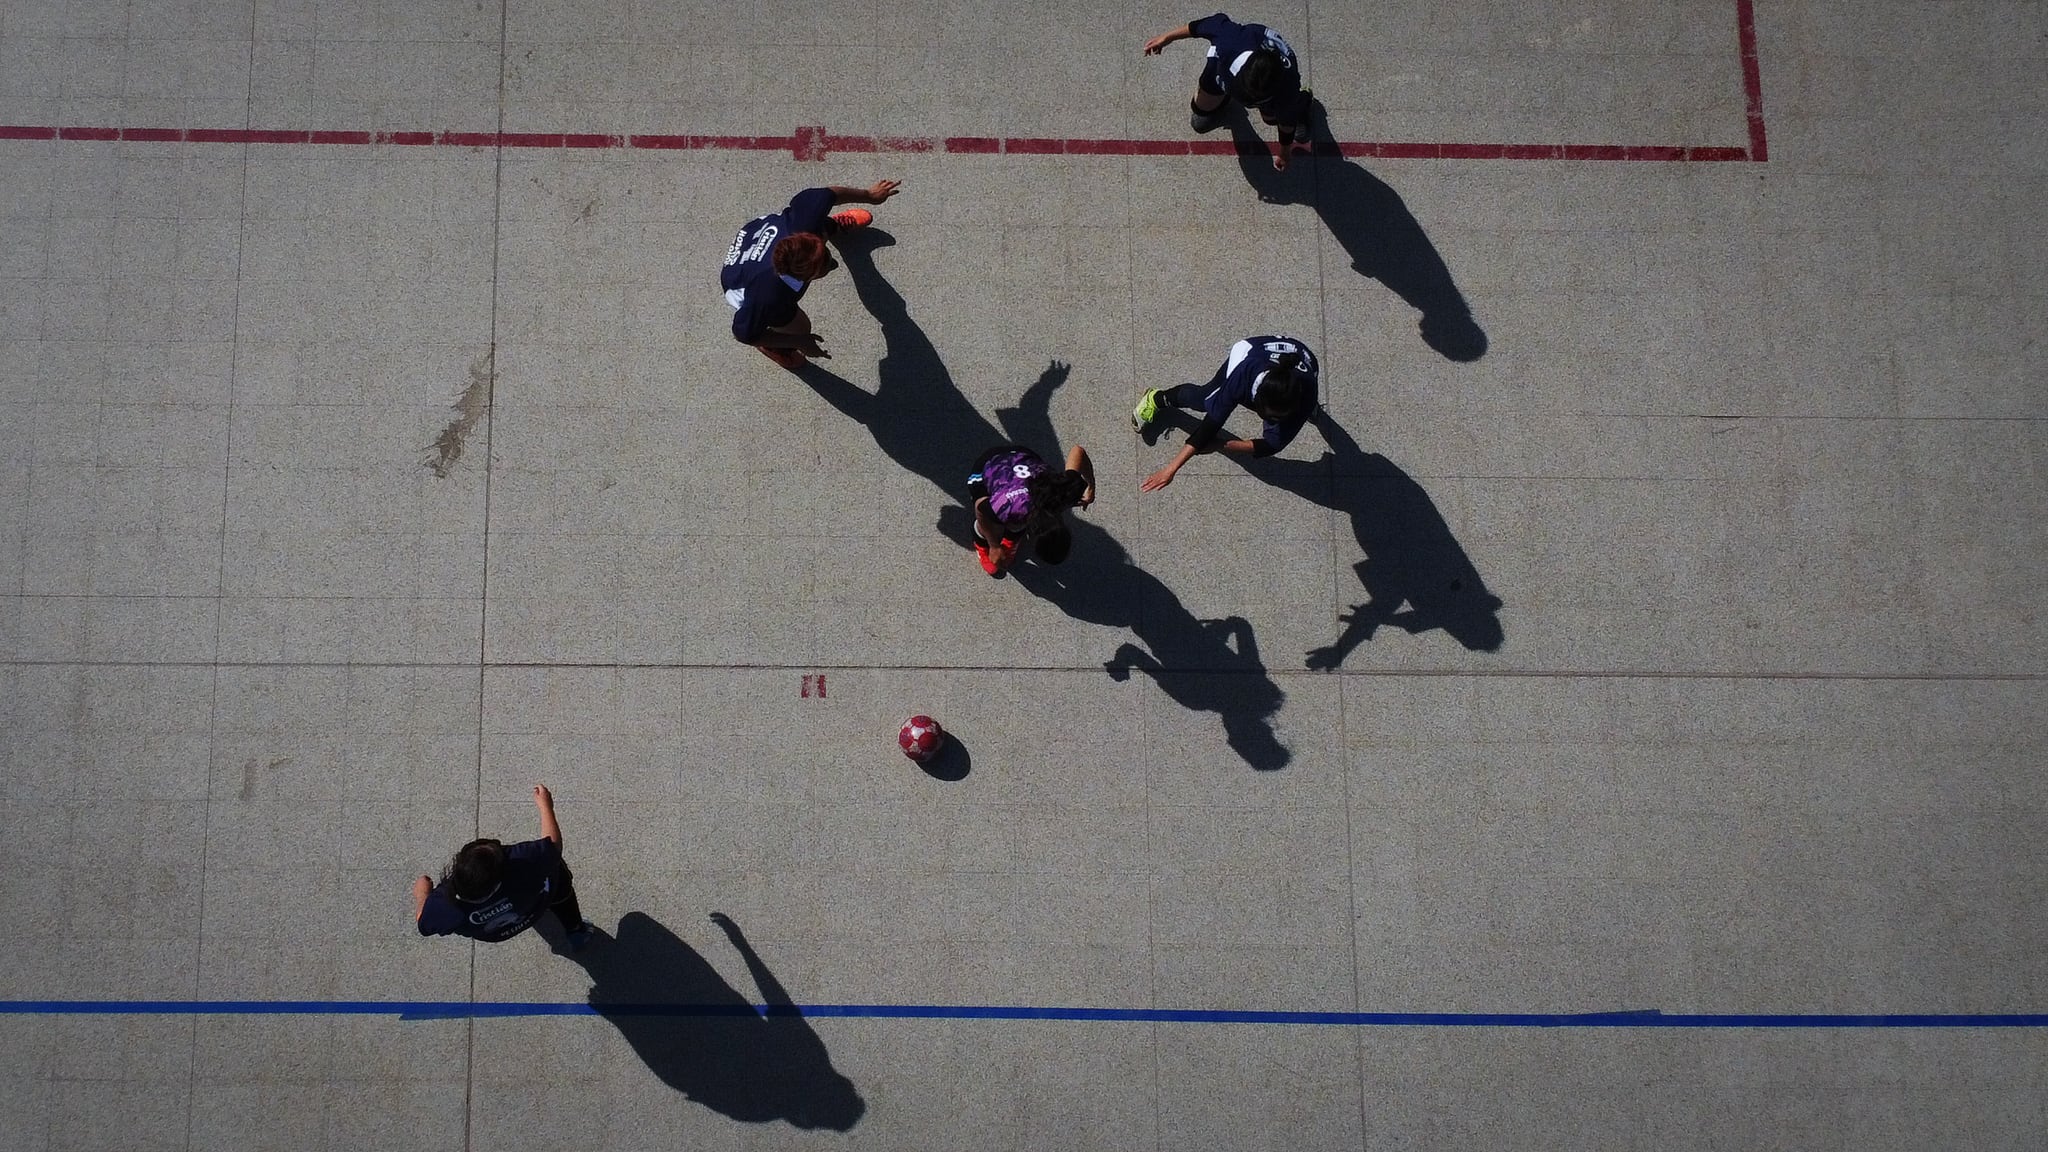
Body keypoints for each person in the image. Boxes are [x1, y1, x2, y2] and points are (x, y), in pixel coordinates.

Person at [722, 180, 902, 369]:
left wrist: (869, 195)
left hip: (755, 234)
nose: (833, 265)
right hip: (739, 278)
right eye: (822, 269)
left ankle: (831, 226)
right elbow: (744, 334)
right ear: (797, 278)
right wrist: (800, 342)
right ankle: (775, 348)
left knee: (817, 226)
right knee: (799, 328)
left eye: (825, 257)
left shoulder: (805, 221)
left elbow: (830, 194)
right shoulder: (768, 297)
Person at [412, 784, 594, 951]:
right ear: (500, 876)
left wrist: (422, 894)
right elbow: (553, 846)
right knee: (561, 890)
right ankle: (576, 932)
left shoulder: (445, 907)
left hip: (500, 931)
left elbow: (423, 921)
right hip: (543, 899)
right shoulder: (524, 863)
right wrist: (546, 806)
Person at [1132, 335, 1319, 492]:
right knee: (1204, 400)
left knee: (1283, 431)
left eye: (1281, 416)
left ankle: (1303, 412)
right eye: (1271, 417)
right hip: (1252, 351)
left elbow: (1272, 445)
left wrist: (1221, 444)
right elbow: (1209, 426)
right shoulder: (1243, 375)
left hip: (1305, 357)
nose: (1274, 421)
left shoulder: (1306, 395)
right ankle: (1156, 398)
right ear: (1256, 401)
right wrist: (1170, 469)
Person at [1143, 15, 1313, 170]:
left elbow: (1286, 124)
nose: (1252, 100)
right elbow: (1201, 26)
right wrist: (1167, 38)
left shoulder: (1287, 88)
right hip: (1222, 72)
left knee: (1273, 118)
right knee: (1200, 110)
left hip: (1276, 95)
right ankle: (1221, 102)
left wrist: (1284, 152)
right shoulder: (1230, 40)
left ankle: (1303, 102)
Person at [966, 442, 1095, 577]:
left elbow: (1077, 451)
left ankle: (1012, 536)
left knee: (1016, 519)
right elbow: (980, 508)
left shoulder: (1063, 492)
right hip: (987, 465)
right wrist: (994, 546)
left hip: (1024, 456)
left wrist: (1090, 487)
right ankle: (980, 541)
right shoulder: (1008, 507)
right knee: (997, 521)